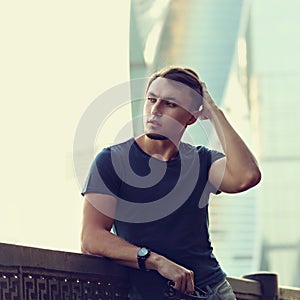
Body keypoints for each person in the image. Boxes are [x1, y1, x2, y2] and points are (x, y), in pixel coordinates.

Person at [80, 66, 261, 299]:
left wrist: (214, 111)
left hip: (214, 290)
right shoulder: (112, 160)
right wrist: (155, 261)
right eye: (151, 100)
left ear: (191, 116)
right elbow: (91, 237)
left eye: (170, 104)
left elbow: (247, 176)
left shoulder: (202, 161)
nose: (155, 110)